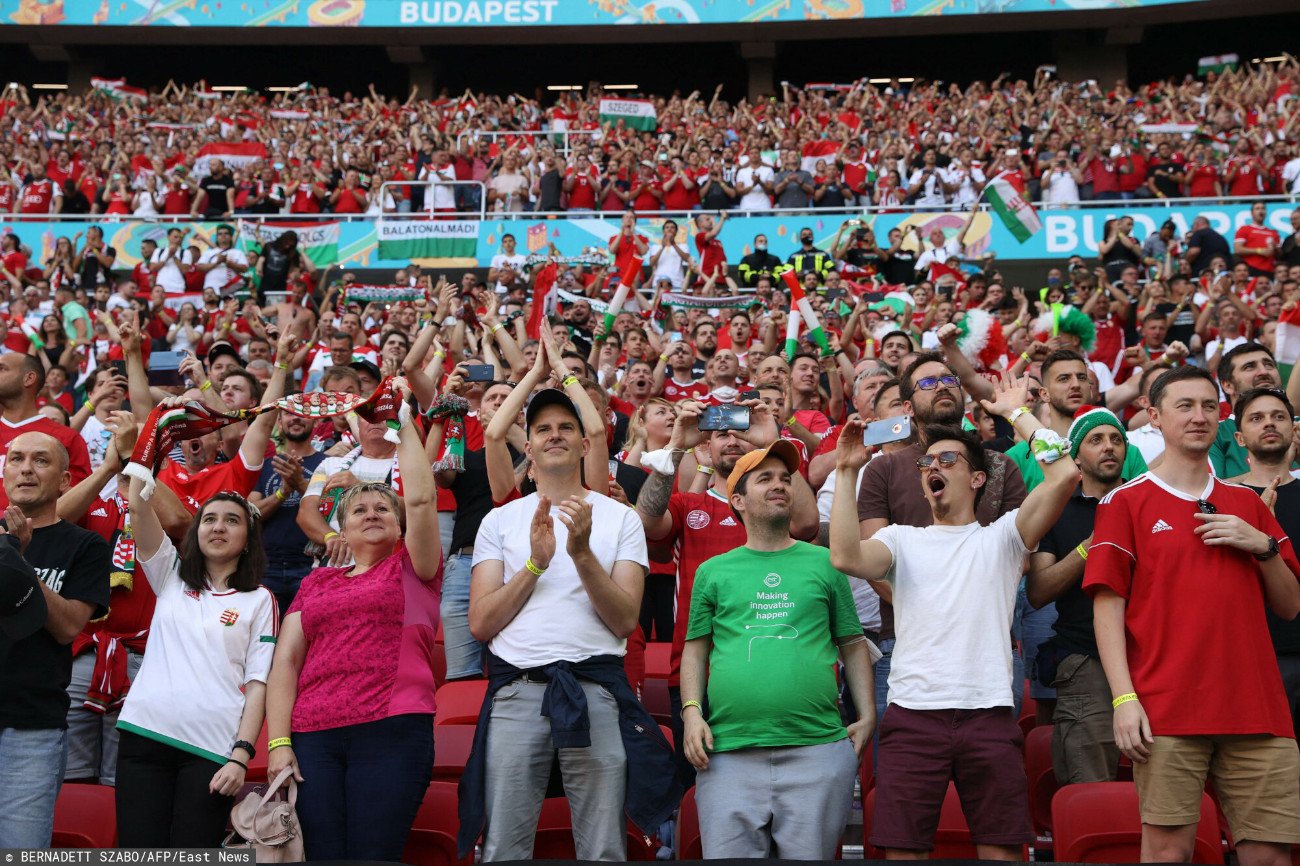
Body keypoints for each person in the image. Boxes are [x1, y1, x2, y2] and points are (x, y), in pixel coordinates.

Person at [831, 373, 1078, 860]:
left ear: (978, 478)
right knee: (903, 853)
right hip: (911, 716)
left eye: (949, 459)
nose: (932, 467)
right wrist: (845, 471)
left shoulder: (1003, 536)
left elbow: (1065, 475)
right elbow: (844, 557)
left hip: (987, 714)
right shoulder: (901, 540)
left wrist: (1015, 414)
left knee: (1004, 852)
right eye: (927, 461)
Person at [1085, 365, 1300, 865]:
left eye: (1209, 406)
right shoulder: (1124, 501)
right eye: (1184, 406)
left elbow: (1290, 606)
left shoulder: (1248, 502)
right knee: (1167, 852)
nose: (1199, 416)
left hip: (1258, 708)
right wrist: (1123, 698)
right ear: (1155, 417)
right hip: (1167, 709)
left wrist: (1263, 547)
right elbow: (1107, 607)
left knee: (1270, 856)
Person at [461, 388, 675, 862]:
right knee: (503, 849)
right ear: (529, 448)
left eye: (566, 427)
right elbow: (479, 623)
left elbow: (623, 620)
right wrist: (535, 565)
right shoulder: (499, 521)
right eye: (542, 429)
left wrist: (580, 554)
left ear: (585, 444)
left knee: (603, 849)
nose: (554, 435)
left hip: (596, 689)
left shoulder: (622, 519)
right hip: (517, 690)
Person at [267, 379, 443, 862]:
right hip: (313, 737)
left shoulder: (414, 568)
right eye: (359, 509)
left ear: (400, 523)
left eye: (383, 507)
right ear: (340, 527)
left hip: (391, 731)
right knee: (321, 855)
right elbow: (285, 663)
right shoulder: (317, 580)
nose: (371, 513)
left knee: (372, 855)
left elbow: (423, 500)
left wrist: (400, 420)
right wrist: (279, 743)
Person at [681, 440, 875, 859]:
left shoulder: (826, 562)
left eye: (786, 478)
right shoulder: (712, 571)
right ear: (738, 500)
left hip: (818, 750)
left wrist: (867, 714)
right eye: (765, 478)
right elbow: (695, 651)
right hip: (728, 752)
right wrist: (692, 712)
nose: (780, 485)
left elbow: (854, 645)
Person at [856, 354, 1029, 726]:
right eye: (928, 384)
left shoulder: (1000, 466)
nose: (943, 387)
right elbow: (874, 564)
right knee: (905, 779)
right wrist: (935, 613)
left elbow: (1019, 559)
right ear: (907, 407)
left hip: (990, 649)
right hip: (902, 645)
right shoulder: (882, 470)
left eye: (949, 379)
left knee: (994, 777)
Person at [117, 456, 276, 847]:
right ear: (197, 531)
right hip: (143, 736)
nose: (218, 526)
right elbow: (138, 503)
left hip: (211, 751)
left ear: (248, 538)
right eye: (209, 518)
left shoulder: (260, 600)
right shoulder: (170, 573)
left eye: (232, 520)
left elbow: (258, 683)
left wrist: (241, 755)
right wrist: (148, 448)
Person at [0, 433, 110, 848]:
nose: (26, 468)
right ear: (5, 472)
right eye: (17, 458)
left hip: (32, 727)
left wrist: (18, 561)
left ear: (65, 480)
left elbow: (67, 628)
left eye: (40, 461)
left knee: (19, 852)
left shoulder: (86, 546)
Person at [1026, 406, 1133, 783]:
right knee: (1091, 787)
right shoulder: (1055, 510)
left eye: (1117, 439)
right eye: (1096, 440)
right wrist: (1090, 546)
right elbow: (1038, 592)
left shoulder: (1145, 502)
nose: (1109, 448)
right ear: (1075, 456)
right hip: (1085, 660)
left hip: (1151, 657)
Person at [1227, 387, 1300, 736]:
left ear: (1294, 429)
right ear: (1240, 438)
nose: (1269, 423)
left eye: (1278, 416)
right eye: (1256, 418)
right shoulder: (1220, 499)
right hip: (1251, 657)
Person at [247, 412, 327, 614]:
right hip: (266, 566)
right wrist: (283, 491)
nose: (296, 418)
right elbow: (252, 514)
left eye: (304, 413)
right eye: (289, 414)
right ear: (279, 422)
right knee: (265, 638)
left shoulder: (330, 464)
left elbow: (332, 510)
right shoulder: (265, 465)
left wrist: (299, 483)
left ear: (316, 421)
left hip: (311, 566)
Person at [1211, 342, 1282, 478]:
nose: (1264, 372)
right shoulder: (1215, 433)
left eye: (1269, 364)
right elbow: (1209, 490)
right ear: (1228, 385)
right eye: (1249, 367)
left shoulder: (1296, 426)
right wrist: (1281, 469)